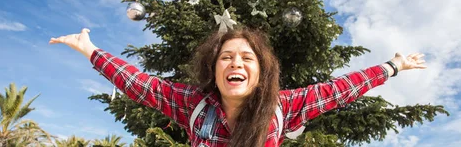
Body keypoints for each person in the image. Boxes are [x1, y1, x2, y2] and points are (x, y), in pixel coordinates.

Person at [49, 27, 426, 147]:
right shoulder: (191, 104)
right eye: (227, 57)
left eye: (247, 58)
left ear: (261, 71)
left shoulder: (284, 106)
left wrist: (393, 66)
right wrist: (92, 51)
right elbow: (140, 84)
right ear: (213, 70)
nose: (236, 64)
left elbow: (341, 88)